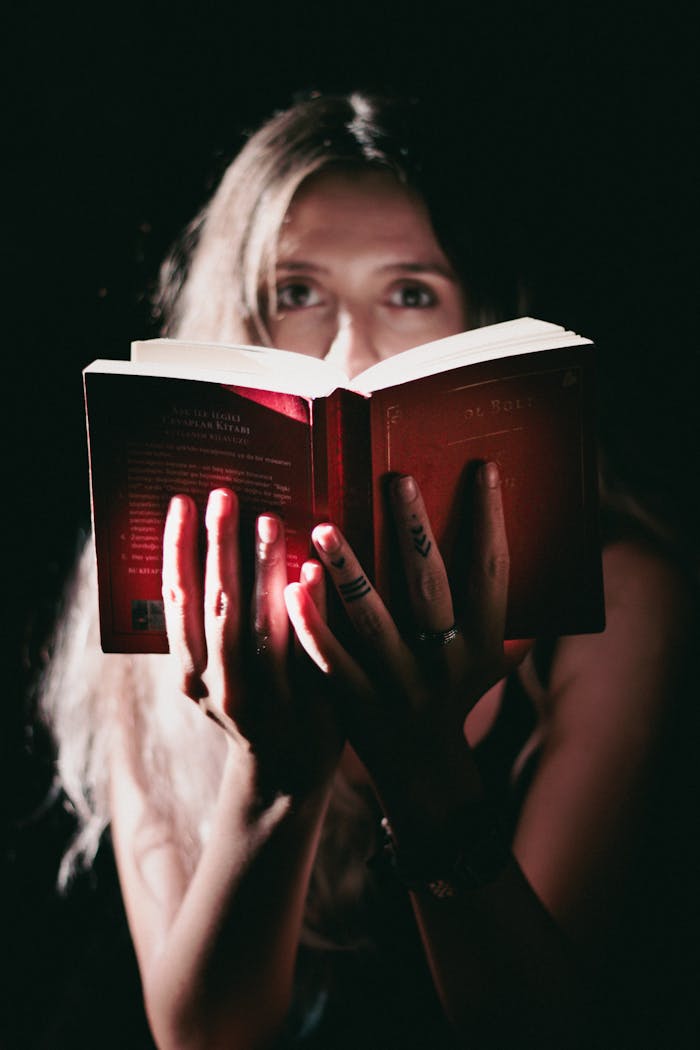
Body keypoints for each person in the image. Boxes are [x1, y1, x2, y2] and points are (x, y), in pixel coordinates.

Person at [41, 92, 699, 1049]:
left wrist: (425, 767)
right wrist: (275, 775)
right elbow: (202, 1037)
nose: (350, 352)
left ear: (481, 320)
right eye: (297, 292)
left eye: (411, 292)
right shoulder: (162, 565)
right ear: (237, 318)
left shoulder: (612, 591)